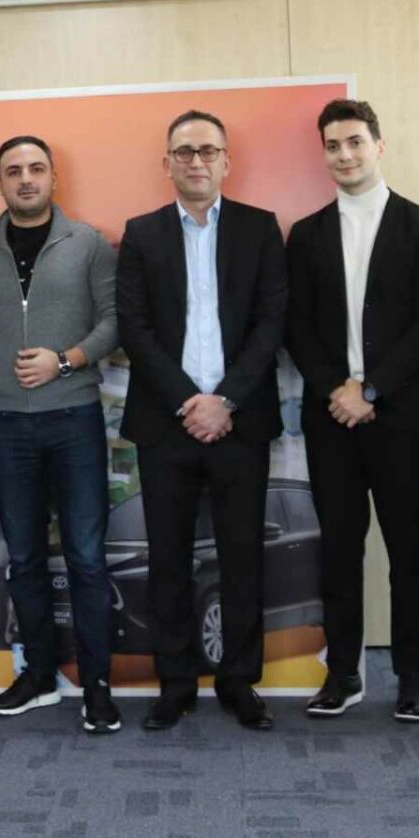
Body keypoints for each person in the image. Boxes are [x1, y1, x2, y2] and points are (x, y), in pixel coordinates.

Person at [115, 110, 288, 732]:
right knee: (168, 560)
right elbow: (133, 327)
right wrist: (190, 400)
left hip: (240, 421)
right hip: (167, 424)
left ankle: (240, 683)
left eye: (208, 151)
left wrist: (226, 400)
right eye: (185, 152)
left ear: (226, 161)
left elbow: (272, 321)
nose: (196, 161)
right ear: (167, 164)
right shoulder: (141, 234)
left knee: (242, 558)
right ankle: (176, 684)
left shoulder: (260, 228)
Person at [286, 99, 419, 723]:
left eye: (355, 141)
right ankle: (343, 673)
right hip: (331, 418)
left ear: (378, 145)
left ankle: (411, 676)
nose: (344, 154)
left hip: (402, 418)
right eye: (333, 145)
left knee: (409, 551)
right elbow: (297, 326)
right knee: (338, 551)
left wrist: (372, 390)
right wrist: (340, 390)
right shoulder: (306, 234)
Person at [0, 136, 122, 734]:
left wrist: (65, 360)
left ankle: (97, 687)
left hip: (74, 418)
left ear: (54, 177)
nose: (25, 179)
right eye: (13, 171)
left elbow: (114, 322)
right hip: (7, 426)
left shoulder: (88, 244)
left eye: (35, 168)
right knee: (24, 557)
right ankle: (37, 677)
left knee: (86, 557)